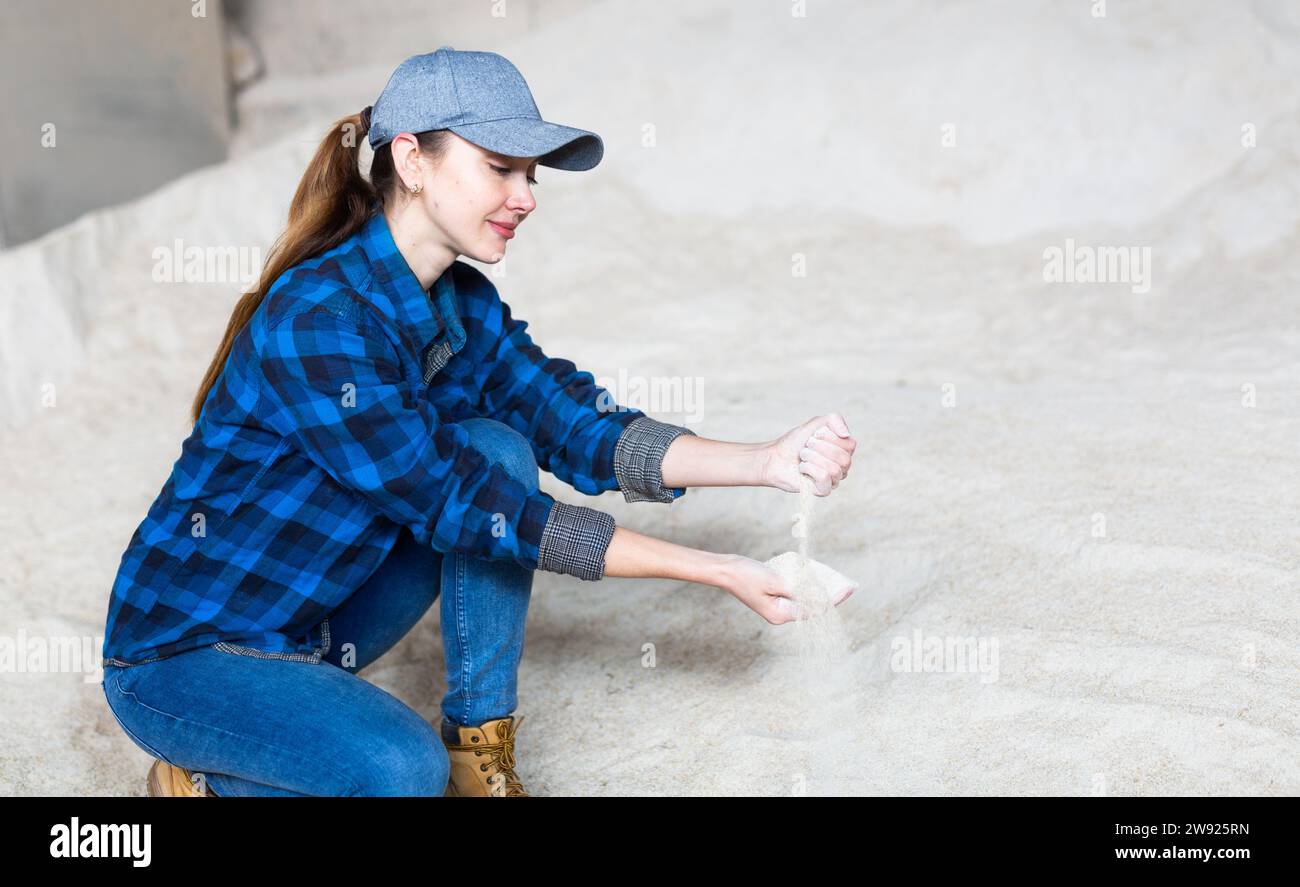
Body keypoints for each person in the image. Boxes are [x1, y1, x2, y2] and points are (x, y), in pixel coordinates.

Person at [99, 47, 857, 797]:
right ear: (413, 159)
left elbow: (574, 423)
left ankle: (478, 755)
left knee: (497, 445)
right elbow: (463, 506)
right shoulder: (319, 320)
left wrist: (766, 460)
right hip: (186, 657)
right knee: (400, 771)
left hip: (313, 629)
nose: (526, 196)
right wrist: (718, 570)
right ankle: (201, 780)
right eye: (501, 167)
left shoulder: (462, 302)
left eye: (532, 174)